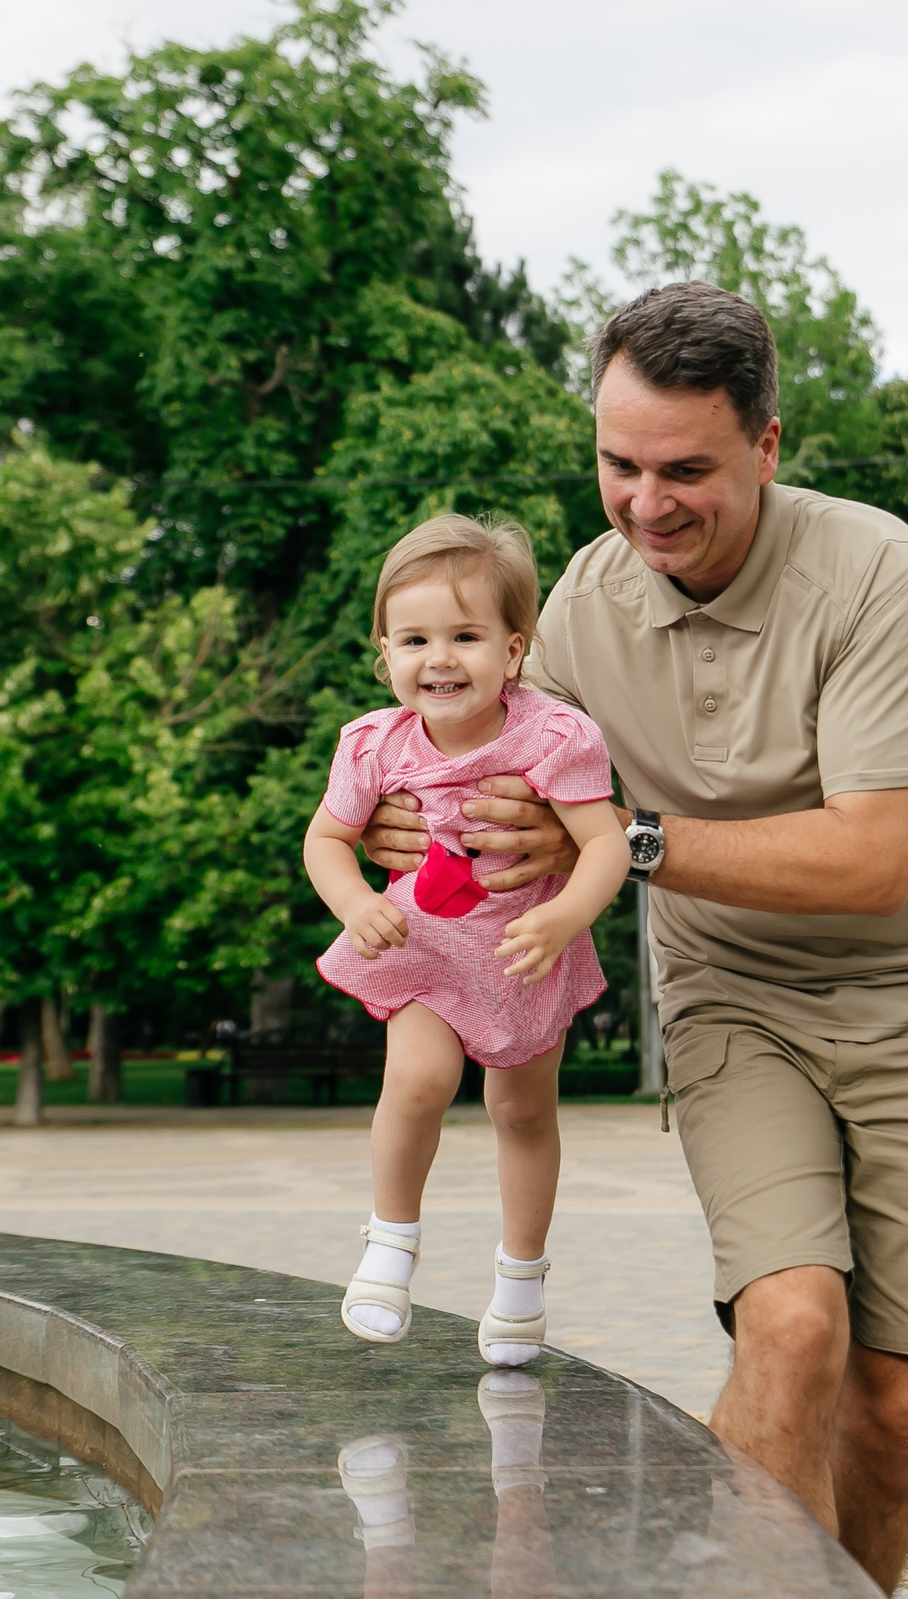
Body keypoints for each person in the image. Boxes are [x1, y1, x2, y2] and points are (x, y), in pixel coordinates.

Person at [359, 282, 908, 1594]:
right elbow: (481, 770)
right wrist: (399, 829)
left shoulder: (878, 572)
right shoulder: (582, 615)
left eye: (686, 469)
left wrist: (631, 841)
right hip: (734, 995)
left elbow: (875, 857)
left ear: (769, 447)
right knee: (791, 1322)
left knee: (893, 1402)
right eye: (618, 462)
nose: (646, 501)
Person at [303, 514, 633, 1368]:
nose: (439, 657)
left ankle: (521, 1281)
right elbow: (326, 840)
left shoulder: (552, 736)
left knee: (520, 1110)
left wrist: (565, 918)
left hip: (523, 948)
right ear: (385, 652)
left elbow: (601, 844)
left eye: (466, 635)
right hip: (426, 948)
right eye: (414, 638)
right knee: (417, 1078)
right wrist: (351, 904)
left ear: (514, 651)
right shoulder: (375, 744)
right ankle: (389, 1247)